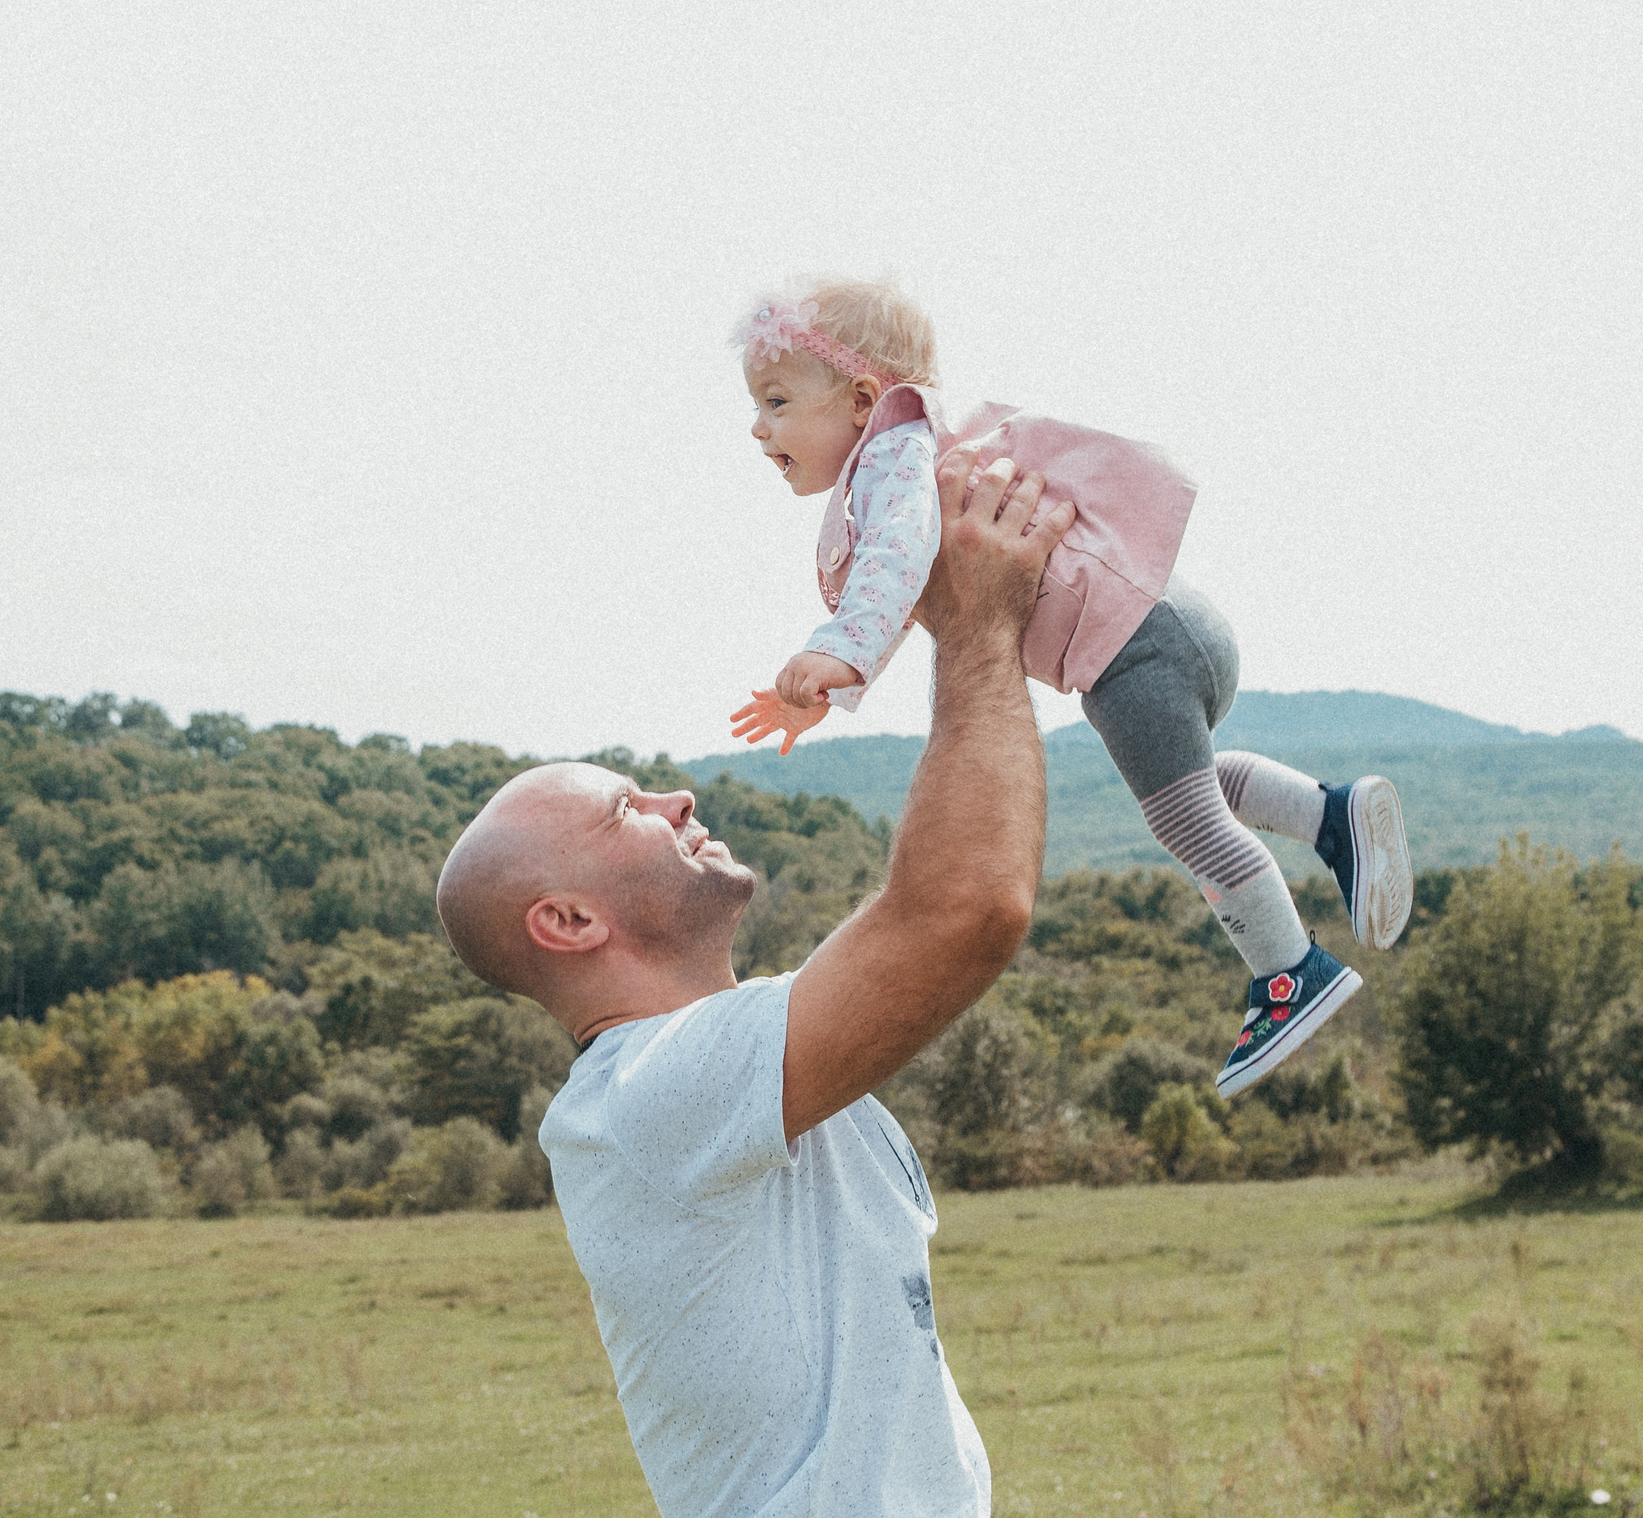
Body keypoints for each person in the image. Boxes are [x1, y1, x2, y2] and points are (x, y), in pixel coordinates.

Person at [434, 454, 1072, 1518]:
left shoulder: (727, 1077)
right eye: (624, 809)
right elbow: (967, 908)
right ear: (571, 922)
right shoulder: (648, 1097)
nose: (679, 797)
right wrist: (973, 628)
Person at [727, 276, 1414, 1096]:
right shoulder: (922, 454)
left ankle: (1290, 970)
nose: (758, 426)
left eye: (775, 401)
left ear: (863, 397)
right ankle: (1332, 816)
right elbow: (915, 588)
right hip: (1166, 623)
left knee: (1182, 817)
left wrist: (836, 653)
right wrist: (837, 687)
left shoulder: (890, 458)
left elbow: (894, 562)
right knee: (1192, 786)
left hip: (1132, 649)